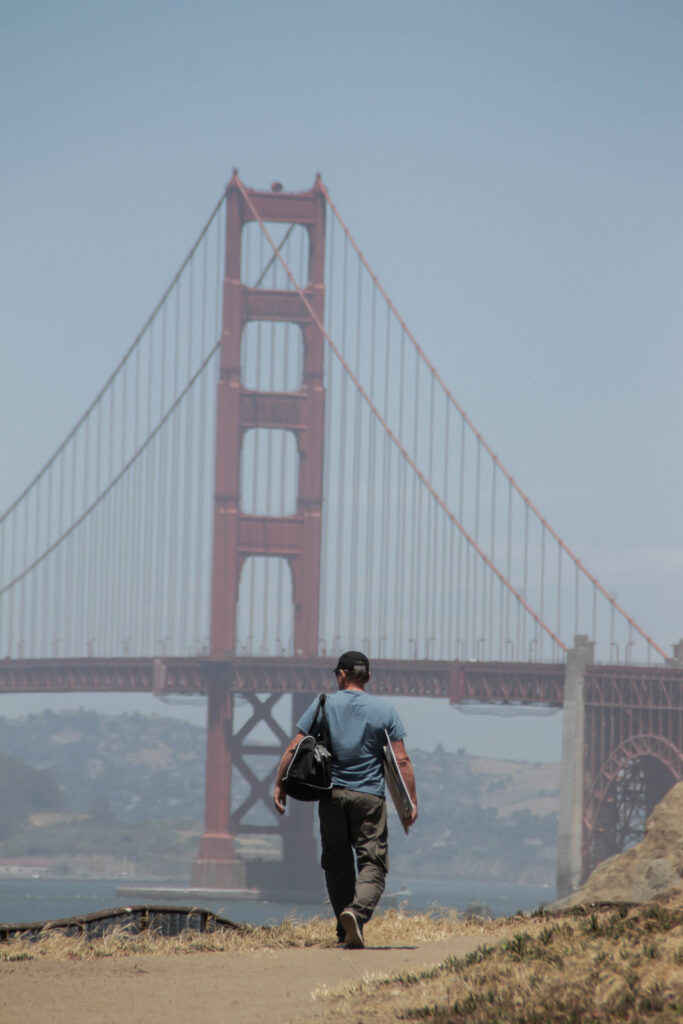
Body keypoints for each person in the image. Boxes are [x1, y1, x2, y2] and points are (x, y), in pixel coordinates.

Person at [273, 650, 418, 949]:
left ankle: (344, 926)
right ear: (368, 677)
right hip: (370, 798)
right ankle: (357, 913)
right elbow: (401, 761)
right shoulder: (385, 710)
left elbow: (294, 747)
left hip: (332, 797)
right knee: (373, 865)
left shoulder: (323, 703)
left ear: (340, 674)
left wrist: (280, 784)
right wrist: (409, 804)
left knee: (337, 865)